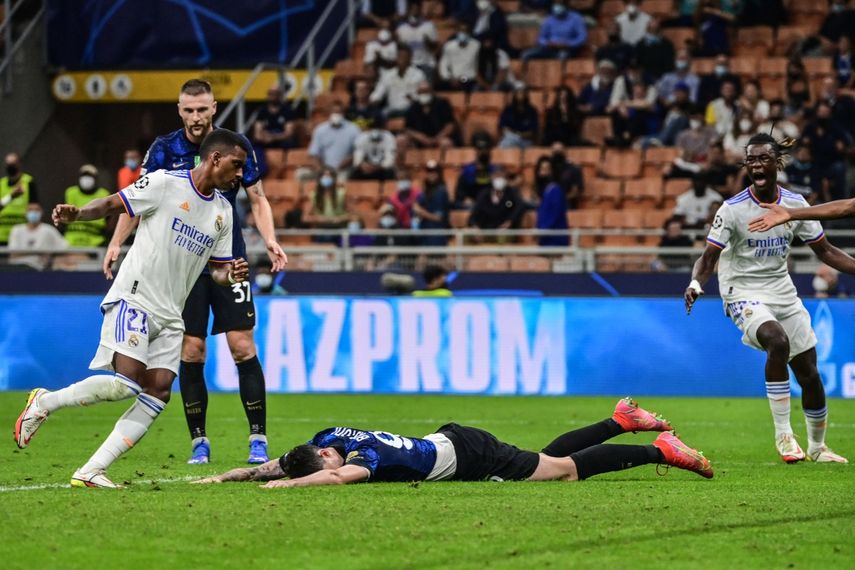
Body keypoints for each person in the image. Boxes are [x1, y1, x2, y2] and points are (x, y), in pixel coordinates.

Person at [14, 129, 252, 488]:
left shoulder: (222, 211)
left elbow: (216, 270)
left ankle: (92, 470)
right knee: (127, 383)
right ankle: (45, 401)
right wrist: (78, 215)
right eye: (236, 165)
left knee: (157, 392)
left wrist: (228, 273)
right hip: (135, 297)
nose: (240, 175)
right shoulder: (164, 183)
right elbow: (112, 204)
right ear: (214, 158)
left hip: (172, 314)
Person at [103, 79, 288, 466]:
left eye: (202, 109)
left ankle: (258, 439)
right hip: (183, 269)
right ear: (179, 109)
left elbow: (257, 196)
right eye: (188, 110)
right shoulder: (164, 148)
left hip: (227, 260)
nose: (195, 117)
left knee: (242, 346)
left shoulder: (236, 146)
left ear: (214, 108)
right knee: (192, 350)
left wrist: (269, 239)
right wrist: (117, 242)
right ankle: (198, 442)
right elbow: (136, 198)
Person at [684, 132, 853, 465]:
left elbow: (826, 251)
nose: (757, 165)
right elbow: (708, 257)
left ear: (778, 163)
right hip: (741, 291)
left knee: (810, 374)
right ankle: (784, 435)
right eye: (751, 160)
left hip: (782, 291)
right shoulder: (731, 210)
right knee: (776, 340)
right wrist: (695, 282)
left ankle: (818, 447)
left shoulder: (795, 205)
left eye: (763, 159)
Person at [190, 398, 713, 486]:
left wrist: (286, 488)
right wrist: (226, 476)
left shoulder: (360, 459)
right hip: (454, 440)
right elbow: (279, 465)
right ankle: (620, 420)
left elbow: (333, 477)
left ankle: (659, 450)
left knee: (564, 472)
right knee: (551, 460)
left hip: (468, 453)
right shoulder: (328, 435)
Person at [62, 164, 112, 247]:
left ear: (95, 178)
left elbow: (110, 221)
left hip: (95, 244)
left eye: (89, 176)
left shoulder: (103, 194)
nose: (86, 179)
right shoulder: (70, 193)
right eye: (84, 176)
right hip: (69, 243)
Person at [370, 46, 427, 116]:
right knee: (381, 113)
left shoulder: (418, 74)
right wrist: (374, 99)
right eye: (400, 56)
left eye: (404, 57)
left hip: (410, 109)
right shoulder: (388, 74)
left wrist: (414, 99)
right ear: (396, 58)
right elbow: (378, 92)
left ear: (410, 58)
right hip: (392, 109)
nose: (401, 59)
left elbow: (424, 95)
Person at [522, 0, 587, 62]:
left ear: (566, 6)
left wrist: (567, 44)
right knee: (526, 55)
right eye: (556, 5)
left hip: (567, 48)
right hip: (549, 48)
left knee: (562, 56)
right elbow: (541, 38)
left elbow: (582, 38)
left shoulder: (576, 18)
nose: (557, 7)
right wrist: (547, 43)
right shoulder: (549, 19)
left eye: (560, 5)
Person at [7, 203, 67, 270]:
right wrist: (38, 252)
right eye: (30, 210)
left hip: (38, 269)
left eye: (37, 210)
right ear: (25, 213)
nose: (33, 212)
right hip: (16, 267)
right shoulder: (16, 229)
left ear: (42, 212)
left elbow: (64, 247)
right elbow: (13, 253)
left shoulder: (49, 230)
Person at [309, 101, 362, 172]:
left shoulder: (354, 129)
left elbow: (358, 151)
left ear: (343, 114)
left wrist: (346, 163)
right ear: (329, 113)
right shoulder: (320, 130)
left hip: (345, 169)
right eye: (334, 112)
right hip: (324, 170)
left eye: (339, 112)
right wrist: (320, 170)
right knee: (302, 174)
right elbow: (314, 153)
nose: (336, 115)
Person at [403, 82, 458, 149]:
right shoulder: (413, 107)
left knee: (445, 143)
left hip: (440, 138)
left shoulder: (442, 103)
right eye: (421, 92)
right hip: (419, 140)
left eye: (426, 91)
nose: (424, 94)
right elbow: (408, 129)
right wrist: (420, 137)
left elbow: (450, 125)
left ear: (432, 91)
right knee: (401, 140)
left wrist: (436, 139)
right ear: (417, 93)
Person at [0, 152, 40, 246]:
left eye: (13, 164)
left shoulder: (28, 181)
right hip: (2, 235)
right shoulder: (1, 184)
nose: (11, 167)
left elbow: (34, 207)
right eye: (8, 164)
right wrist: (11, 197)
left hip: (21, 236)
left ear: (19, 164)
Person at [413, 160, 450, 246]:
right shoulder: (425, 191)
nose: (431, 174)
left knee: (435, 258)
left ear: (438, 174)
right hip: (424, 233)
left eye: (434, 172)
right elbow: (416, 207)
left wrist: (421, 211)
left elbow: (438, 218)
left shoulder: (441, 191)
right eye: (429, 172)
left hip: (436, 235)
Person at [533, 156, 569, 246]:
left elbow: (553, 214)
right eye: (541, 169)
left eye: (547, 169)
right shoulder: (545, 192)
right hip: (545, 238)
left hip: (554, 238)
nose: (543, 172)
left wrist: (542, 230)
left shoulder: (555, 190)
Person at [437, 20, 480, 91]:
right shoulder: (449, 46)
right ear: (457, 32)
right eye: (461, 31)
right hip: (452, 79)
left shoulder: (476, 45)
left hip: (469, 79)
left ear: (469, 33)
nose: (463, 33)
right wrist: (449, 78)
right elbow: (443, 64)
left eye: (465, 31)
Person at [454, 137, 497, 208]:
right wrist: (465, 198)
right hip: (471, 204)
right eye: (480, 149)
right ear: (476, 151)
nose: (483, 151)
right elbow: (460, 192)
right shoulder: (468, 170)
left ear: (489, 151)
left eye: (486, 149)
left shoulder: (495, 170)